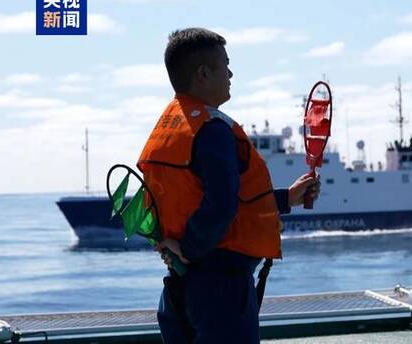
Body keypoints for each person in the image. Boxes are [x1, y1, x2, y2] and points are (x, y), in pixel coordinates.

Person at [137, 27, 321, 344]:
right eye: (226, 64)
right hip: (219, 287)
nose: (231, 73)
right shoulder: (214, 129)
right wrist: (192, 251)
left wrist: (285, 199)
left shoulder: (170, 129)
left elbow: (190, 198)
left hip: (180, 285)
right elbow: (222, 203)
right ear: (204, 73)